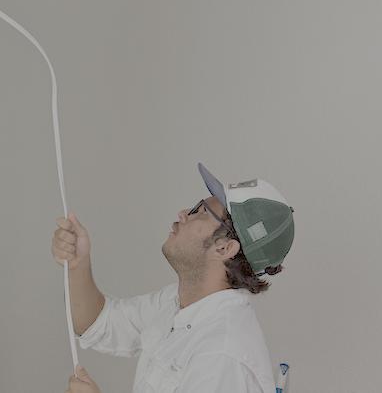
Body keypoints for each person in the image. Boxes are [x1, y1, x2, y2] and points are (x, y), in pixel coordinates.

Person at [52, 164, 294, 393]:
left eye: (202, 211)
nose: (184, 213)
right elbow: (97, 323)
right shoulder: (177, 302)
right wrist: (78, 264)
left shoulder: (222, 357)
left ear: (224, 248)